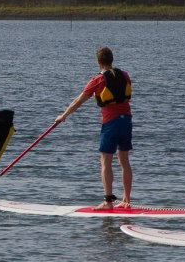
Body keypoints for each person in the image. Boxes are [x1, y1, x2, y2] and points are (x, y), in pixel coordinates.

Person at [55, 47, 133, 210]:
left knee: (106, 162)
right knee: (124, 161)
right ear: (112, 60)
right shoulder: (125, 75)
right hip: (127, 121)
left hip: (111, 123)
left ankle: (108, 202)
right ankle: (126, 199)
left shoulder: (98, 80)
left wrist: (64, 116)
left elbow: (78, 101)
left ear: (98, 62)